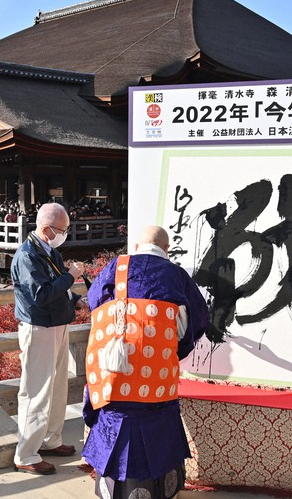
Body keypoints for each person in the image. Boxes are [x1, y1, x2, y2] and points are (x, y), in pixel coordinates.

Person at [82, 225, 208, 499]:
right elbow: (198, 319)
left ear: (136, 248)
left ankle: (111, 490)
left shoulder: (115, 267)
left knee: (113, 421)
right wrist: (172, 349)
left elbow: (94, 304)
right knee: (157, 426)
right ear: (166, 249)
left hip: (113, 373)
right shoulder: (175, 275)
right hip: (155, 379)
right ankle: (160, 490)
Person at [11, 202, 87, 475]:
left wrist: (76, 299)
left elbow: (57, 285)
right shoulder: (27, 255)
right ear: (46, 229)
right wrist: (71, 277)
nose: (64, 235)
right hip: (39, 327)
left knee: (56, 387)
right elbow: (41, 295)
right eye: (62, 230)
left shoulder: (48, 250)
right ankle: (26, 454)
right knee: (37, 391)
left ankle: (50, 439)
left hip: (58, 324)